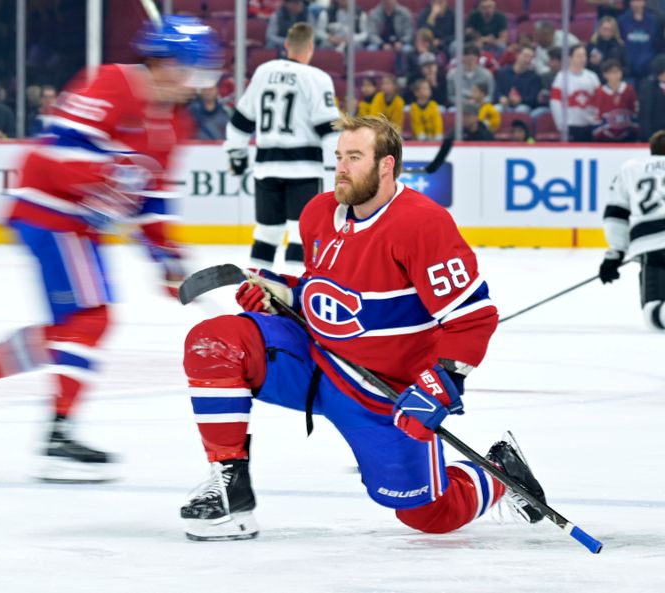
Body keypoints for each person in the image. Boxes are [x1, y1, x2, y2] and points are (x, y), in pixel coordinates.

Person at [178, 114, 546, 541]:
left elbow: (471, 317)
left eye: (354, 157)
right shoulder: (318, 213)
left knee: (427, 515)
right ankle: (231, 489)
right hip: (316, 362)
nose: (341, 167)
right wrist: (280, 292)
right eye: (338, 156)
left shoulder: (422, 224)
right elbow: (323, 293)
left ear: (385, 165)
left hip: (383, 390)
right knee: (214, 342)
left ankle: (499, 473)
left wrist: (441, 384)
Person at [0, 17, 219, 482]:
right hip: (52, 212)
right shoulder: (113, 82)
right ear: (161, 61)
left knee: (73, 327)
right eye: (192, 71)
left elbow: (152, 201)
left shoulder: (175, 123)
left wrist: (168, 258)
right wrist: (111, 179)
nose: (196, 84)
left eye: (204, 75)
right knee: (90, 320)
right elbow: (59, 151)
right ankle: (57, 433)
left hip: (80, 223)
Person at [224, 22, 339, 275]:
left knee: (267, 232)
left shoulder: (264, 72)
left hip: (266, 168)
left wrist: (237, 154)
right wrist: (345, 166)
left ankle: (254, 291)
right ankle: (295, 295)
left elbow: (240, 123)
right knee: (301, 232)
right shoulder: (317, 78)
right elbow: (329, 131)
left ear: (286, 45)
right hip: (304, 170)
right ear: (310, 47)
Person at [600, 130, 665, 329]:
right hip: (651, 243)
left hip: (651, 245)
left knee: (654, 315)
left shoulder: (631, 168)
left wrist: (615, 254)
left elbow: (616, 213)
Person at [550, 45, 600, 142]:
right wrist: (560, 124)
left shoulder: (592, 77)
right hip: (570, 125)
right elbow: (555, 103)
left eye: (584, 55)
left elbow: (599, 100)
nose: (583, 59)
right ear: (570, 58)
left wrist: (596, 121)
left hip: (589, 125)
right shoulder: (561, 77)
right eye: (579, 56)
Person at [592, 59, 638, 142]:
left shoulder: (629, 89)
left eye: (617, 71)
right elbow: (597, 114)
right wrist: (599, 132)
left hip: (627, 135)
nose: (615, 75)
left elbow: (634, 110)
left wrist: (634, 129)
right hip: (606, 135)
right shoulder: (600, 91)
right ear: (605, 75)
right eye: (612, 72)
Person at [495, 44, 541, 114]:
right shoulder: (503, 72)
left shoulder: (534, 77)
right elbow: (497, 91)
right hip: (505, 104)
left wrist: (521, 100)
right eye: (525, 56)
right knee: (496, 109)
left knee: (521, 110)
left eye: (530, 57)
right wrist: (501, 98)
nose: (527, 59)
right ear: (518, 55)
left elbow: (533, 98)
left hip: (522, 105)